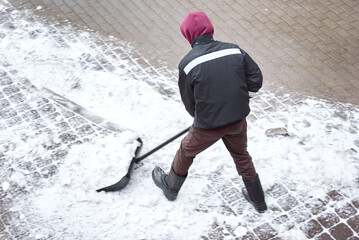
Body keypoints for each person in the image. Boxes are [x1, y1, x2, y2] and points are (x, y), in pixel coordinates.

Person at [152, 11, 267, 213]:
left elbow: (189, 103)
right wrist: (240, 99)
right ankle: (258, 199)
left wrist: (204, 115)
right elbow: (256, 79)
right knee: (241, 155)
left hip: (207, 127)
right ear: (210, 29)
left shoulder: (188, 64)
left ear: (188, 35)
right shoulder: (234, 51)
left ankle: (170, 187)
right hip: (237, 121)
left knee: (186, 151)